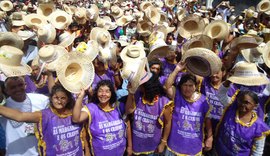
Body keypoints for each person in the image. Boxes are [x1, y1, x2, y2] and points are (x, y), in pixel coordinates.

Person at [0, 83, 85, 155]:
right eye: (56, 98)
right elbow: (20, 116)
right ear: (51, 98)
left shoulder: (75, 114)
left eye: (63, 98)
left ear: (68, 100)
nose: (59, 101)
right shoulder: (44, 115)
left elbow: (84, 137)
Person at [164, 62, 213, 155]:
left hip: (194, 147)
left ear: (195, 87)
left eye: (190, 86)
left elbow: (207, 120)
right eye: (185, 85)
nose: (187, 88)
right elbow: (168, 86)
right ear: (180, 86)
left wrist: (210, 137)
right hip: (174, 145)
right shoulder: (177, 95)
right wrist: (177, 69)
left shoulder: (203, 100)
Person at [72, 80, 131, 156]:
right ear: (96, 93)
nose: (103, 94)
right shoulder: (91, 108)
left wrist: (129, 146)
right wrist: (80, 98)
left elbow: (128, 126)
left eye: (107, 91)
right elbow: (76, 119)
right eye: (100, 91)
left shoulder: (119, 107)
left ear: (111, 93)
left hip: (120, 152)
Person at [126, 73, 173, 155]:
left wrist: (163, 142)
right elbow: (129, 111)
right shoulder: (137, 96)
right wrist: (130, 93)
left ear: (148, 87)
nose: (139, 86)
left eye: (141, 85)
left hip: (154, 148)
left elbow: (168, 123)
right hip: (137, 143)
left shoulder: (163, 102)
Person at [0, 76, 48, 156]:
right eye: (13, 87)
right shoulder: (4, 107)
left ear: (25, 85)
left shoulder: (41, 100)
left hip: (40, 152)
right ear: (6, 90)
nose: (18, 89)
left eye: (20, 85)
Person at [215, 90, 270, 155]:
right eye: (240, 101)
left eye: (246, 102)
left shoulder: (259, 127)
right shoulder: (231, 110)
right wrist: (227, 83)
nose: (242, 104)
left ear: (255, 106)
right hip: (219, 152)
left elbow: (257, 152)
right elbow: (221, 95)